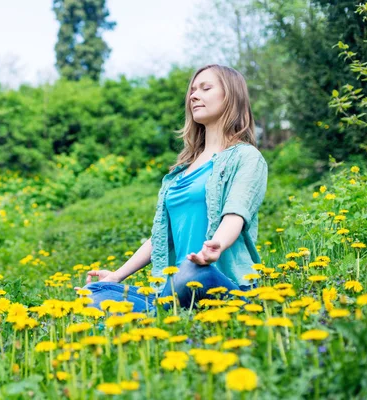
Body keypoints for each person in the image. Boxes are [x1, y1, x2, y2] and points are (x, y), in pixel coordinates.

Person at [75, 64, 268, 313]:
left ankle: (152, 315)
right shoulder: (179, 173)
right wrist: (116, 276)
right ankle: (160, 311)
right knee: (95, 293)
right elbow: (161, 238)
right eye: (192, 90)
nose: (194, 95)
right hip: (174, 287)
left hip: (218, 282)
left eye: (206, 88)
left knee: (193, 272)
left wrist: (216, 246)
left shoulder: (246, 157)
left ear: (231, 96)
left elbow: (236, 214)